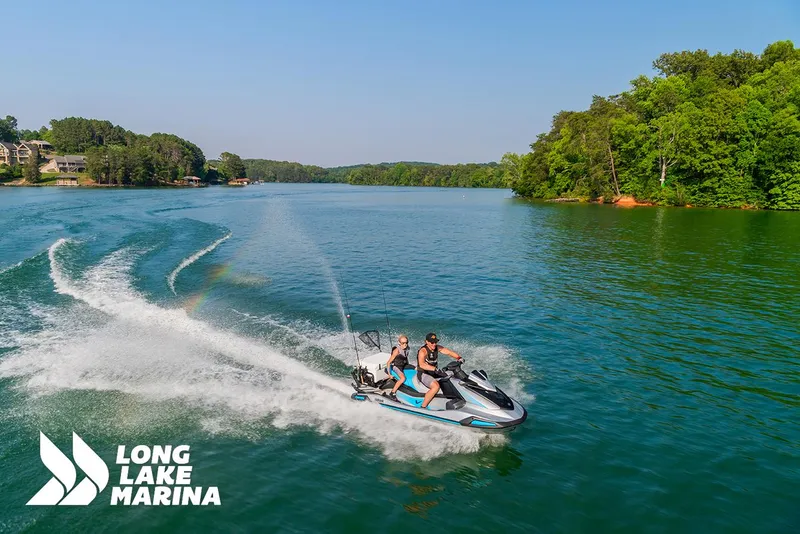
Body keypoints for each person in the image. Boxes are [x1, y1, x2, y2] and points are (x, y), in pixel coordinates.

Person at [417, 332, 462, 409]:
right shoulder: (423, 351)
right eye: (432, 342)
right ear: (426, 342)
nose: (434, 344)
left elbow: (448, 352)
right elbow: (422, 364)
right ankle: (423, 407)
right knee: (435, 386)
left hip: (434, 372)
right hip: (424, 373)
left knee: (451, 378)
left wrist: (459, 358)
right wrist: (434, 369)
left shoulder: (437, 348)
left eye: (435, 342)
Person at [385, 334, 410, 400]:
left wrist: (409, 365)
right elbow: (388, 363)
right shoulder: (396, 350)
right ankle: (392, 392)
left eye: (406, 342)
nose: (405, 344)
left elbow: (405, 358)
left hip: (403, 365)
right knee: (403, 378)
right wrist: (390, 375)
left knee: (415, 368)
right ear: (399, 343)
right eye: (403, 343)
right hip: (396, 366)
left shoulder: (408, 348)